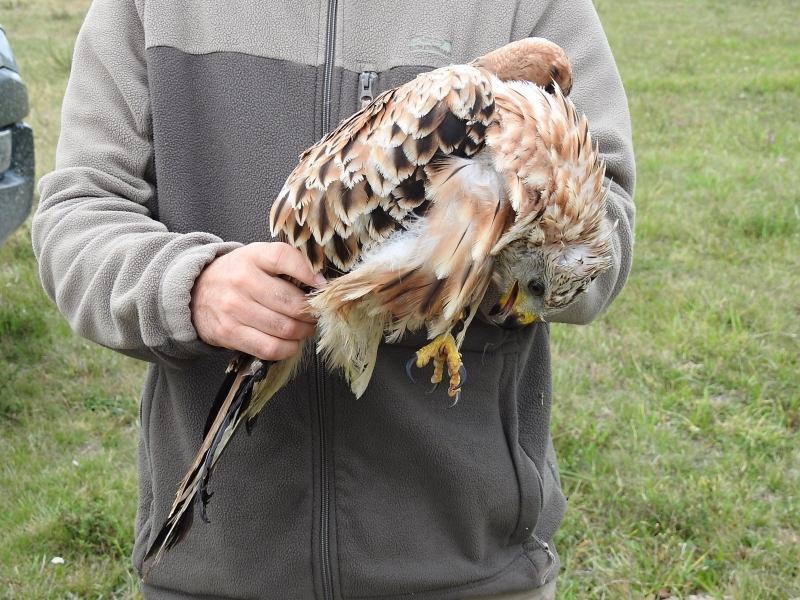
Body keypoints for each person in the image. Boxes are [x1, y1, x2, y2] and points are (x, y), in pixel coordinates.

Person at [32, 0, 635, 598]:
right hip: (223, 557)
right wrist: (188, 284)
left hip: (466, 559)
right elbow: (78, 214)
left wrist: (496, 238)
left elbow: (602, 237)